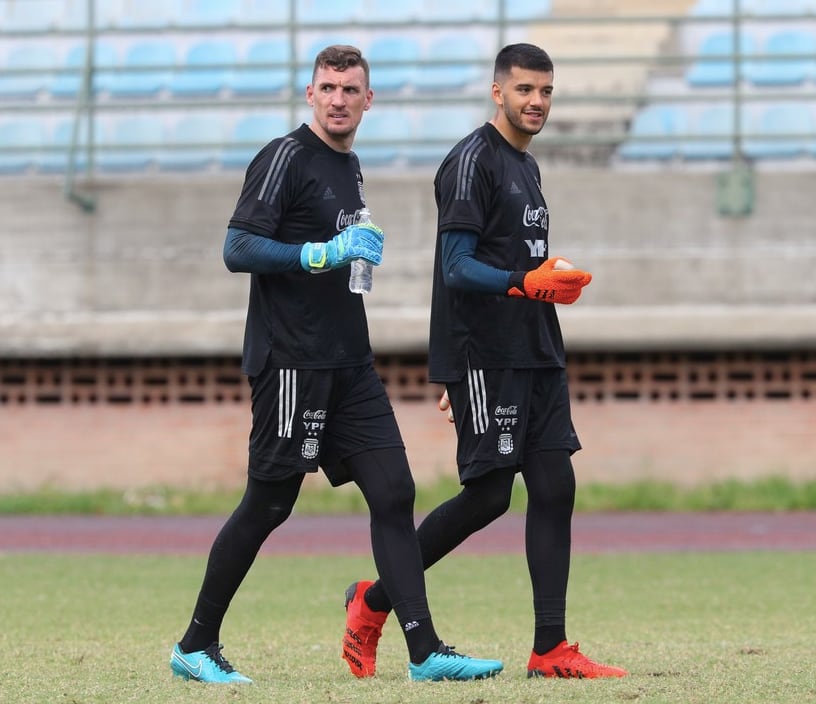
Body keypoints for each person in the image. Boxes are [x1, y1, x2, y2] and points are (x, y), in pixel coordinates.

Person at [168, 44, 503, 685]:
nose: (339, 99)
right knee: (268, 504)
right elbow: (237, 246)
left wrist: (353, 255)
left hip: (349, 363)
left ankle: (425, 652)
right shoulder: (285, 156)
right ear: (310, 94)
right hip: (292, 361)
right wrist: (318, 255)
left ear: (368, 99)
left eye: (351, 89)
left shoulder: (349, 168)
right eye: (328, 87)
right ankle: (195, 643)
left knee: (395, 492)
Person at [341, 43, 628, 681]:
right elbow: (455, 268)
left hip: (538, 351)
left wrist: (550, 281)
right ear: (497, 92)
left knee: (556, 487)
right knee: (490, 496)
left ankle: (550, 649)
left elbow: (516, 264)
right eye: (525, 90)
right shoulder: (471, 161)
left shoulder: (526, 167)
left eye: (546, 92)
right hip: (485, 357)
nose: (536, 102)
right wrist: (520, 287)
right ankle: (374, 599)